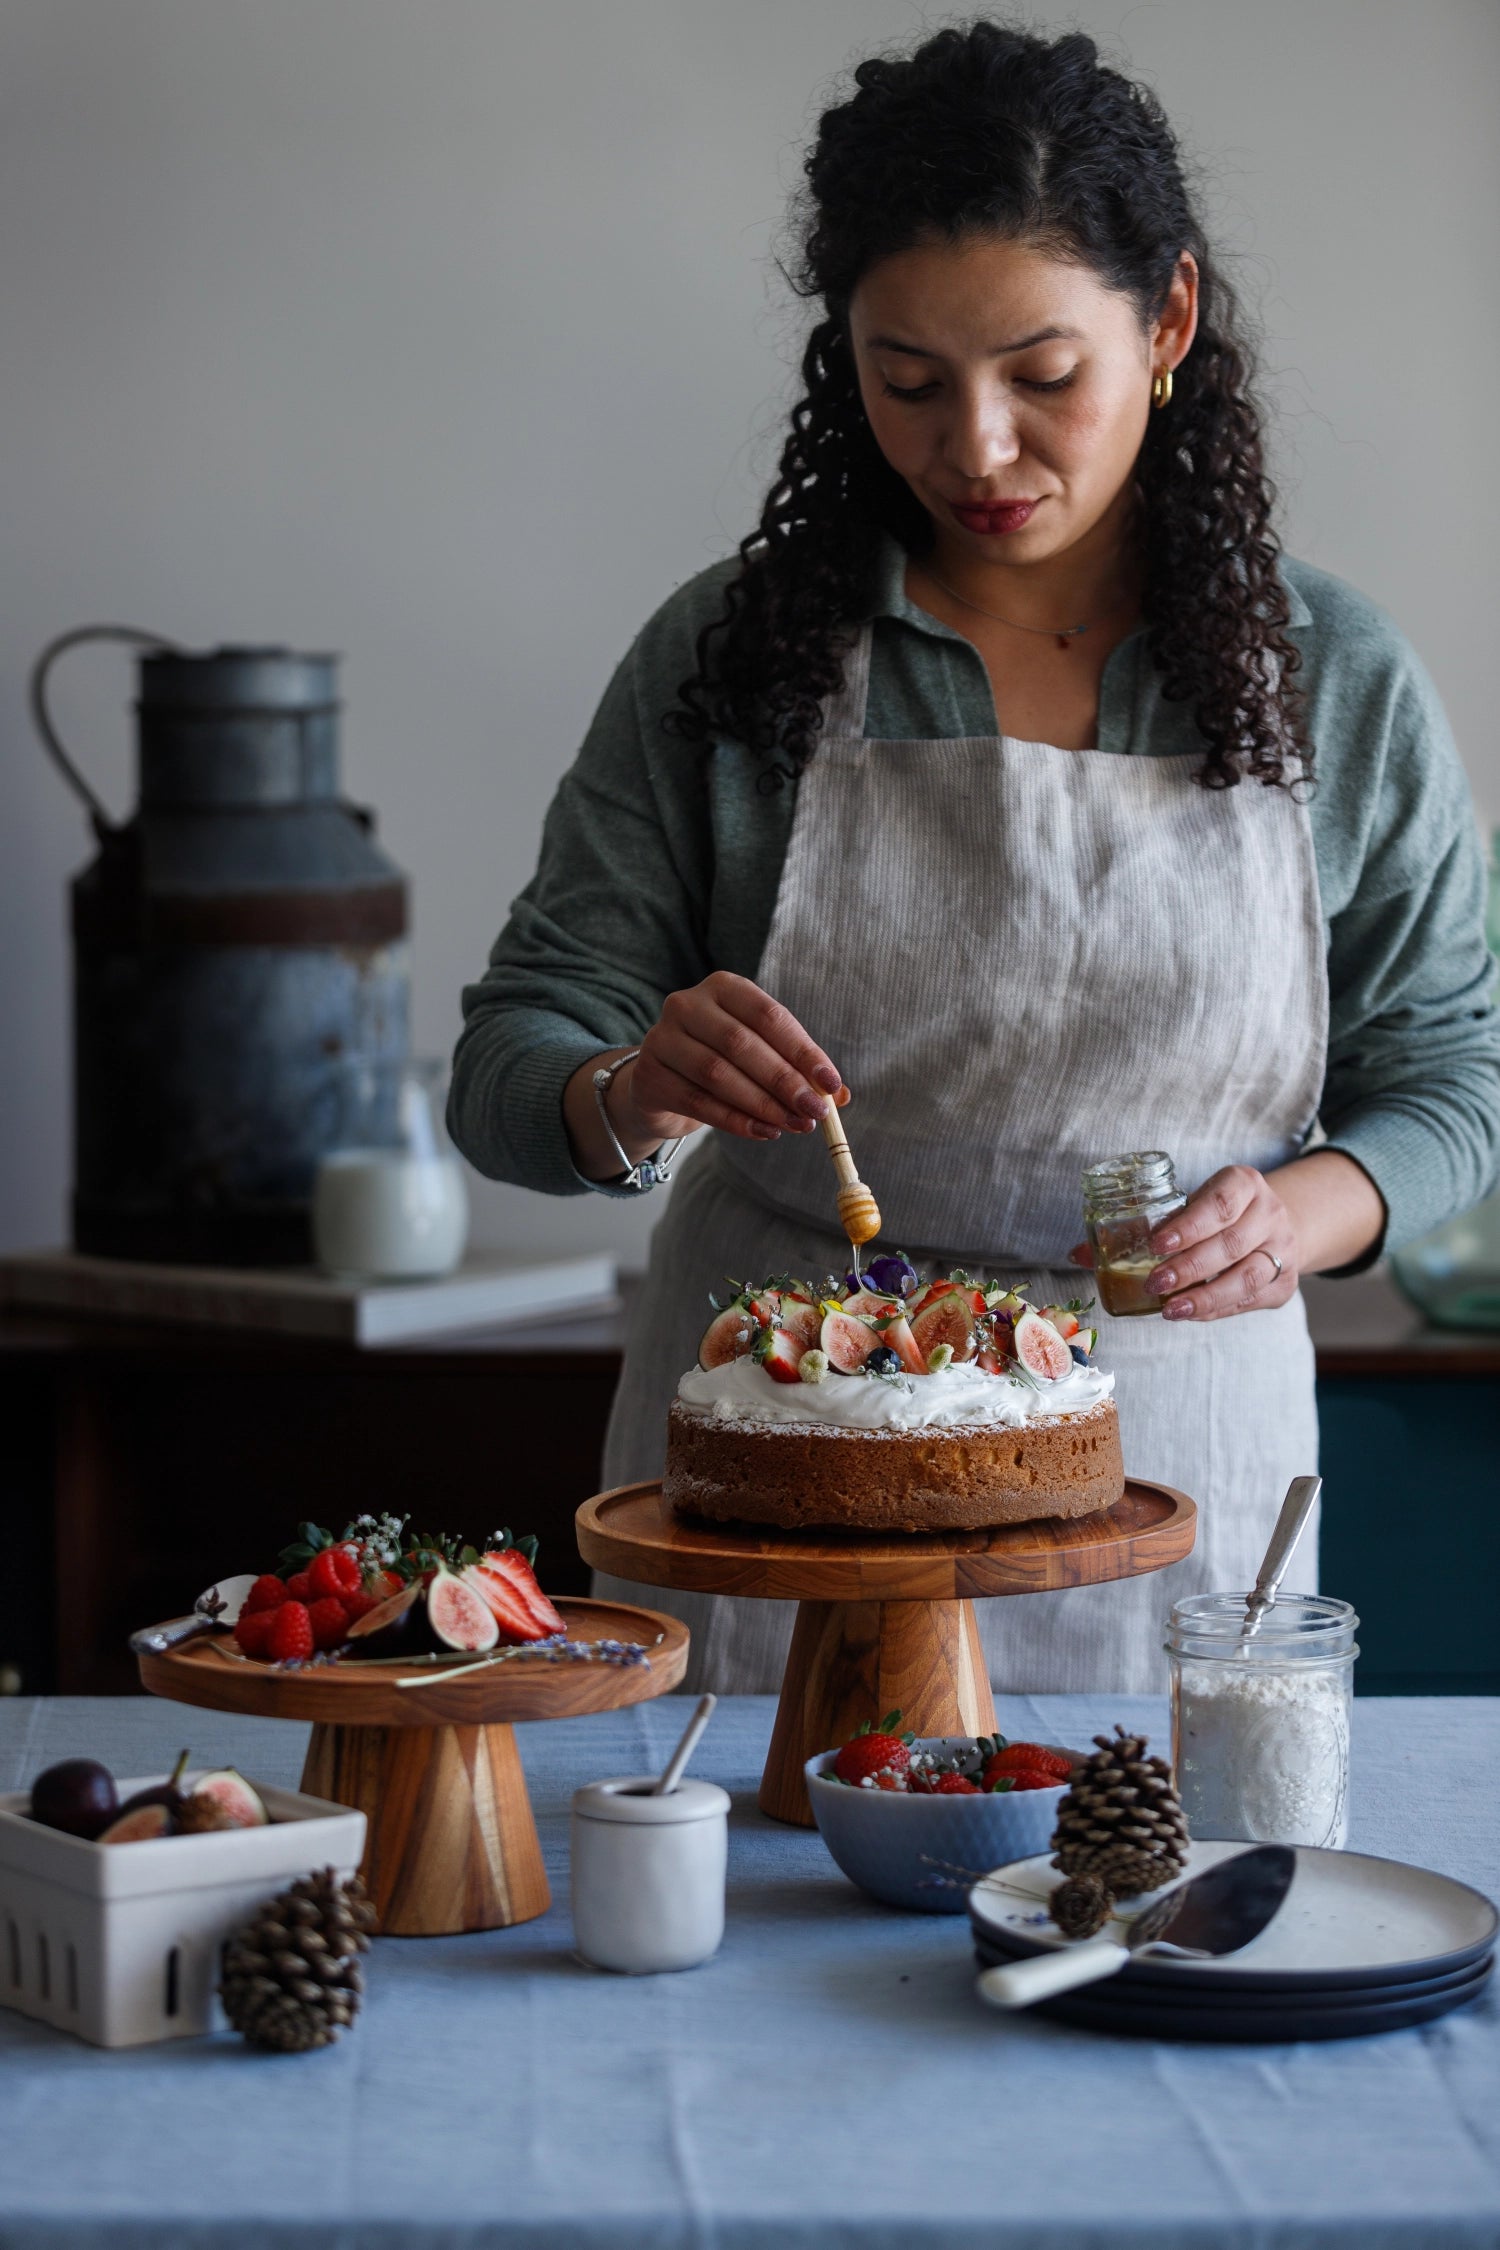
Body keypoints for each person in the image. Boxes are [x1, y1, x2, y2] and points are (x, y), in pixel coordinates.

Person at [449, 23, 1500, 1693]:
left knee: (1136, 1905)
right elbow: (509, 1056)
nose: (978, 450)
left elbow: (1456, 1073)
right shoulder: (734, 658)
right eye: (910, 381)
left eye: (1043, 375)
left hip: (1171, 1439)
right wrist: (629, 1090)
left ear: (1166, 320)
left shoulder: (1335, 675)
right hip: (778, 1451)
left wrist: (1307, 1211)